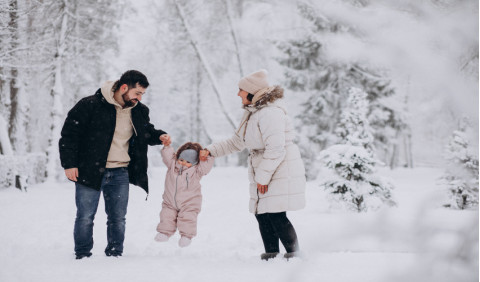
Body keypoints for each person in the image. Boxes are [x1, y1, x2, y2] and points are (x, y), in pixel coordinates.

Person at [59, 70, 171, 259]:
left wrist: (159, 136)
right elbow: (69, 136)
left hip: (120, 172)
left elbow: (145, 131)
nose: (139, 98)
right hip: (90, 170)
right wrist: (69, 164)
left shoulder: (139, 110)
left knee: (118, 219)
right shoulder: (90, 105)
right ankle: (82, 254)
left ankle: (115, 253)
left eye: (142, 94)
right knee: (85, 217)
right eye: (137, 93)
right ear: (124, 87)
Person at [199, 69, 306, 261]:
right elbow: (236, 142)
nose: (238, 94)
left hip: (280, 167)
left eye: (240, 89)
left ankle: (294, 254)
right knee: (262, 213)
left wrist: (262, 177)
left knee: (275, 212)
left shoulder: (270, 113)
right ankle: (271, 253)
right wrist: (211, 150)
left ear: (252, 91)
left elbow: (276, 149)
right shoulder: (253, 113)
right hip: (268, 166)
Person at [154, 142, 214, 247]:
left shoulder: (197, 171)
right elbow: (168, 156)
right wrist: (167, 146)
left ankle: (186, 236)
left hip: (189, 203)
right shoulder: (172, 166)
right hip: (170, 202)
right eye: (181, 160)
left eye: (188, 162)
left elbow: (206, 167)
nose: (183, 163)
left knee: (188, 218)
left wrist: (206, 157)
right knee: (166, 215)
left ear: (195, 162)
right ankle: (164, 232)